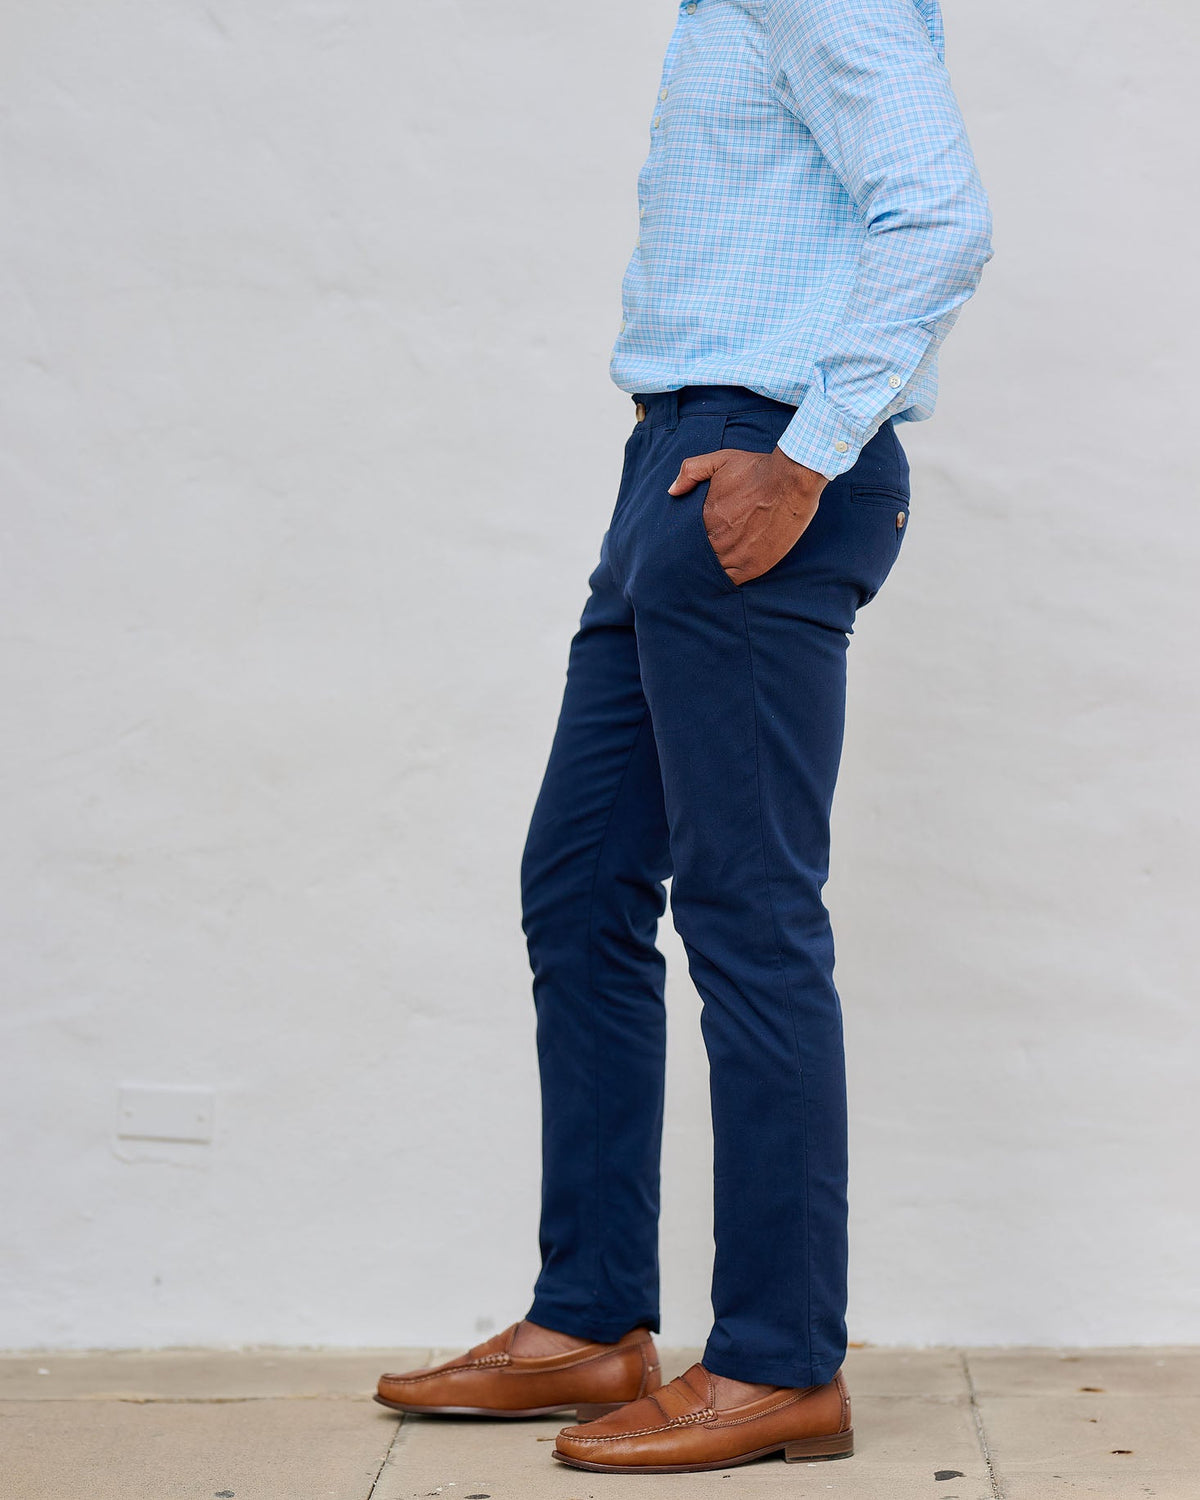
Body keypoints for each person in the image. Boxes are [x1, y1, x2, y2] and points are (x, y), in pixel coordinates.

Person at [375, 0, 991, 1475]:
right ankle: (592, 1318)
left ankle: (781, 1361)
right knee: (581, 885)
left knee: (747, 909)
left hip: (765, 460)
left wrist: (806, 452)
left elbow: (943, 218)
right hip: (674, 462)